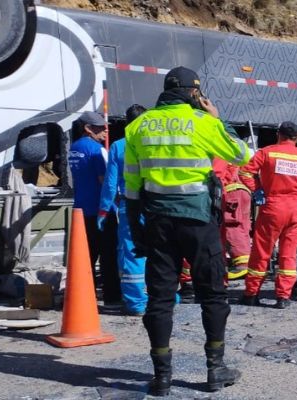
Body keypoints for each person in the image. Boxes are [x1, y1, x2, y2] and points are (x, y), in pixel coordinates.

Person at [124, 66, 250, 395]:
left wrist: (137, 232)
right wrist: (219, 119)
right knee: (213, 295)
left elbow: (132, 188)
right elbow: (242, 154)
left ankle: (162, 377)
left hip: (158, 224)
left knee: (160, 299)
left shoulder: (138, 126)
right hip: (198, 222)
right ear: (194, 93)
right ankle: (215, 369)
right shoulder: (202, 122)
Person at [238, 122, 297, 309]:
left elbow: (245, 172)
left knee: (261, 253)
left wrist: (257, 190)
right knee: (288, 255)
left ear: (278, 134)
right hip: (294, 209)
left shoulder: (267, 152)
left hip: (272, 207)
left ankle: (251, 294)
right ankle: (283, 297)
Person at [98, 104, 147, 316]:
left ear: (127, 122)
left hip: (130, 206)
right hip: (157, 205)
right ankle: (166, 297)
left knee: (131, 253)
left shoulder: (118, 146)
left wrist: (103, 210)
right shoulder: (155, 142)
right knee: (160, 252)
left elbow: (110, 184)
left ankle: (136, 304)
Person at [68, 111, 121, 307]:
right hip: (102, 210)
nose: (105, 131)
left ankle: (82, 296)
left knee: (86, 255)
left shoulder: (74, 148)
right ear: (88, 129)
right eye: (100, 127)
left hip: (81, 209)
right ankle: (112, 296)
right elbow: (106, 181)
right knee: (109, 255)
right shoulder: (97, 150)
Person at [213, 158, 252, 280]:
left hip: (231, 192)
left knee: (232, 227)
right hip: (242, 191)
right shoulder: (232, 151)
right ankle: (243, 262)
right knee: (242, 227)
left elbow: (216, 174)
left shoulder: (217, 154)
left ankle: (242, 264)